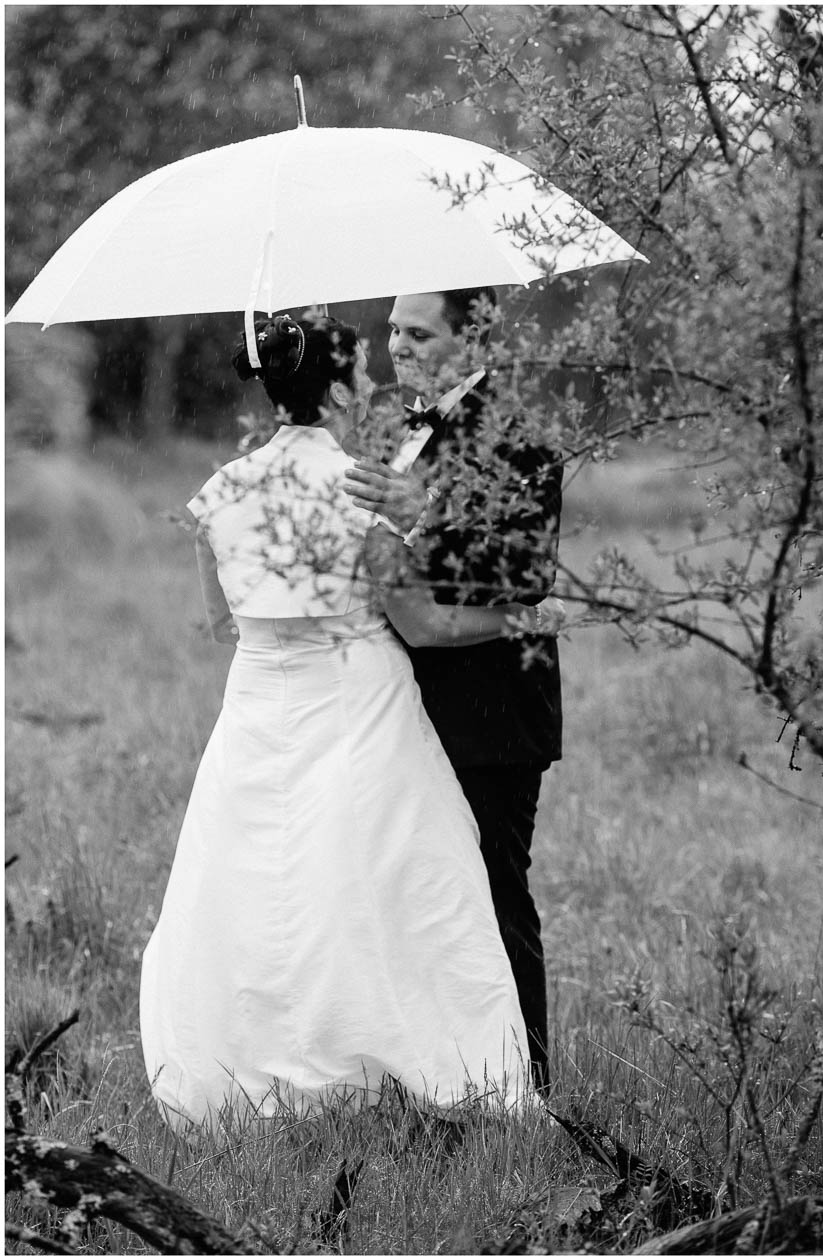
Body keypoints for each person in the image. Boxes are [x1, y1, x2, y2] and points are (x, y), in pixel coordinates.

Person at [140, 313, 562, 1133]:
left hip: (258, 708)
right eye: (364, 370)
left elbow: (221, 624)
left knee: (260, 888)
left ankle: (257, 1077)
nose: (374, 382)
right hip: (360, 706)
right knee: (391, 888)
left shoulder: (220, 493)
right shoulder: (363, 496)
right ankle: (410, 1066)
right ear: (337, 391)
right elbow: (428, 627)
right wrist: (527, 619)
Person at [343, 288, 564, 1095]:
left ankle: (527, 1089)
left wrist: (427, 509)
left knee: (493, 899)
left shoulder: (521, 434)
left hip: (487, 711)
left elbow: (527, 576)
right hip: (403, 704)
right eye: (393, 331)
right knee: (419, 901)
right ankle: (439, 1078)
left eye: (419, 333)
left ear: (475, 339)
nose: (397, 347)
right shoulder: (402, 428)